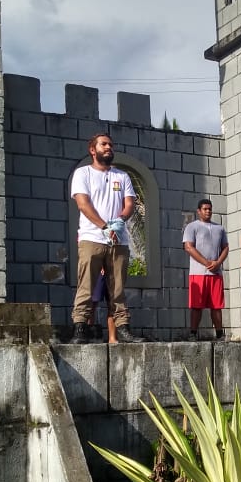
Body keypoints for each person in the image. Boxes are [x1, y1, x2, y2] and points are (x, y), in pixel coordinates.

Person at [70, 133, 144, 344]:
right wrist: (103, 226)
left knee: (118, 288)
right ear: (92, 150)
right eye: (104, 144)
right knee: (86, 285)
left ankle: (123, 330)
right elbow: (83, 204)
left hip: (118, 241)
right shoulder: (82, 173)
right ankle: (80, 328)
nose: (108, 147)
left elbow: (129, 203)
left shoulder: (122, 176)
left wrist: (120, 220)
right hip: (91, 238)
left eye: (110, 144)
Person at [182, 199, 229, 341]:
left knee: (216, 306)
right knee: (197, 305)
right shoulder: (192, 226)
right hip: (198, 273)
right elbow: (188, 247)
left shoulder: (219, 228)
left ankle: (220, 334)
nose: (208, 211)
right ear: (199, 211)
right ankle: (193, 333)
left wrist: (218, 262)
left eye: (210, 209)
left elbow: (225, 247)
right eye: (205, 209)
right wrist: (207, 262)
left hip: (215, 274)